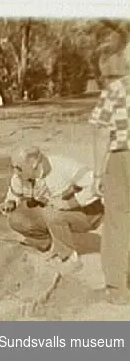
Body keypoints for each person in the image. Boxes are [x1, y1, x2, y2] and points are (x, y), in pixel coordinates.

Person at [0, 146, 104, 274]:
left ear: (34, 164)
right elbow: (14, 194)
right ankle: (44, 243)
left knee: (51, 212)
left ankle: (69, 258)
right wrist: (9, 203)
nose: (15, 172)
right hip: (55, 210)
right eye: (13, 167)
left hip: (88, 213)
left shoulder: (62, 165)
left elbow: (98, 185)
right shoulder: (20, 176)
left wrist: (69, 203)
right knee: (16, 217)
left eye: (19, 168)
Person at [88, 42, 130, 305]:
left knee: (117, 222)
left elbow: (102, 131)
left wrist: (97, 173)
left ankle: (117, 289)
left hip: (121, 158)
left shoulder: (115, 90)